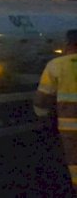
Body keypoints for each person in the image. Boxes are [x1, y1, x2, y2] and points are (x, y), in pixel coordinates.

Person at [34, 29, 77, 194]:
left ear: (68, 44)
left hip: (70, 129)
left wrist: (41, 116)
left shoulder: (56, 65)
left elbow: (42, 99)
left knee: (74, 163)